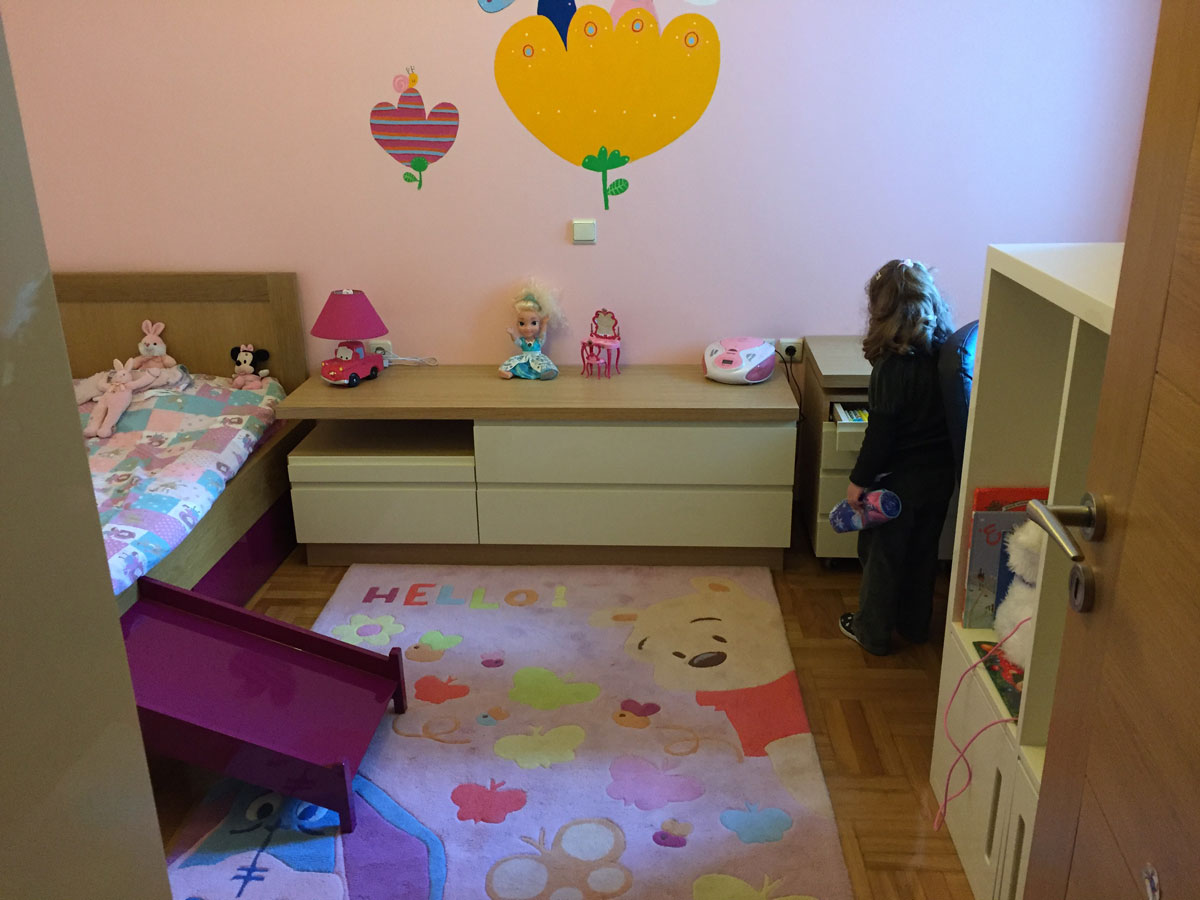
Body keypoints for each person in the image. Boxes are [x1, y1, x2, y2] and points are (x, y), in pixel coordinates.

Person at [840, 258, 955, 655]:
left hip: (898, 484)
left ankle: (871, 632)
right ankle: (914, 625)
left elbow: (881, 435)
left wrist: (858, 481)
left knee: (882, 556)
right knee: (924, 552)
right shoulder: (946, 355)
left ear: (880, 310)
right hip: (940, 477)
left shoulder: (892, 368)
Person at [498, 281, 561, 380]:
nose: (528, 328)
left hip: (537, 359)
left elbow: (543, 335)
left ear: (539, 324)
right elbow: (516, 341)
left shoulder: (538, 341)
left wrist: (545, 323)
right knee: (517, 365)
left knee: (542, 366)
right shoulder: (522, 341)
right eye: (522, 323)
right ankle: (509, 373)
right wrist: (512, 334)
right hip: (524, 359)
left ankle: (545, 373)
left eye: (533, 323)